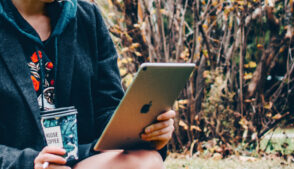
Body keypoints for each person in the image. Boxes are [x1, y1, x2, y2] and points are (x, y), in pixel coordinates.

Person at [0, 0, 175, 168]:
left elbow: (107, 109)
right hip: (20, 163)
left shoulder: (87, 18)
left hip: (83, 159)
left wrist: (146, 131)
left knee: (148, 161)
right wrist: (29, 163)